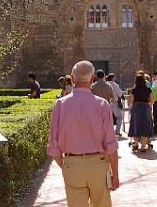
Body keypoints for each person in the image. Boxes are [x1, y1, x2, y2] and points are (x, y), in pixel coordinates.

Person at [47, 61, 119, 207]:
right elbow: (111, 144)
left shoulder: (60, 105)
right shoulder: (102, 105)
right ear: (92, 79)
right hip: (98, 164)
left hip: (72, 165)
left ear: (72, 79)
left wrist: (66, 165)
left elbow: (53, 147)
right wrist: (115, 175)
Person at [128, 74, 155, 152]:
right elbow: (153, 100)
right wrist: (149, 104)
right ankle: (143, 146)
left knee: (136, 125)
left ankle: (136, 144)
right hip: (146, 108)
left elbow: (131, 101)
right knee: (145, 126)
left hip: (136, 108)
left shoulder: (134, 90)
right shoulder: (148, 89)